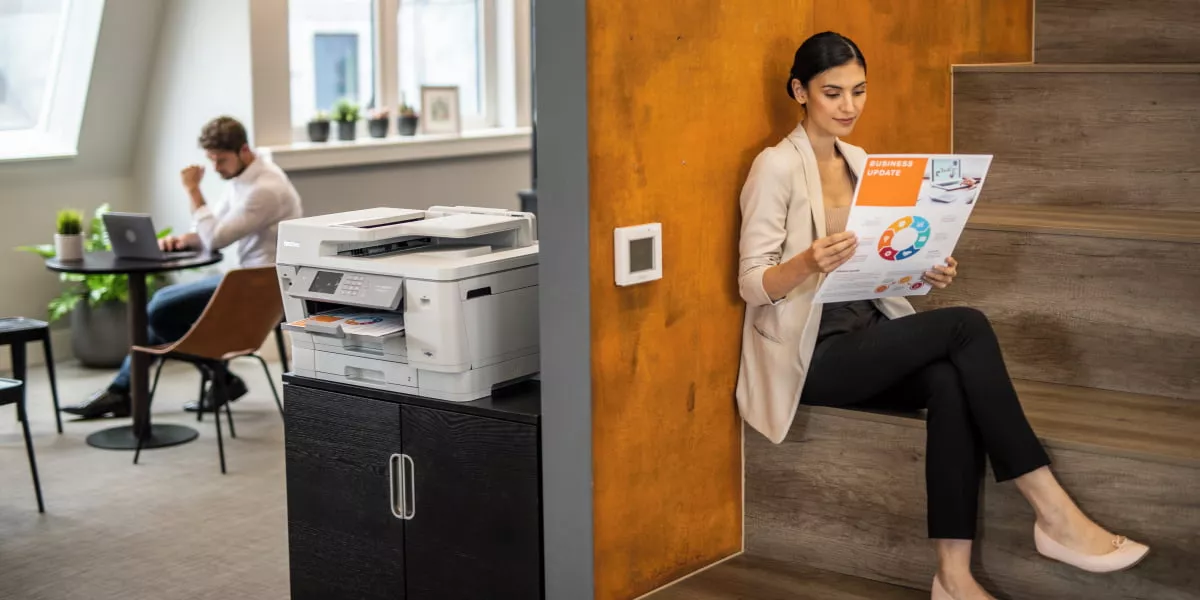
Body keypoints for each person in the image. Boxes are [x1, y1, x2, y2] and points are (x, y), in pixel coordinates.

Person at [735, 32, 1148, 600]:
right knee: (966, 324)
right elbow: (752, 283)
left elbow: (878, 261)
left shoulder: (861, 162)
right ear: (799, 91)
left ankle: (952, 578)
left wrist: (921, 268)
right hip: (812, 354)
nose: (849, 106)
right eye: (832, 93)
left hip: (868, 331)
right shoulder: (775, 167)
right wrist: (806, 262)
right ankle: (1052, 512)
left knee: (951, 381)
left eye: (858, 91)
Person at [64, 116, 303, 419]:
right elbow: (212, 230)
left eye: (221, 160)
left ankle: (135, 391)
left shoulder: (266, 189)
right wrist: (184, 240)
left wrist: (193, 190)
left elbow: (216, 238)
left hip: (259, 288)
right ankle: (131, 390)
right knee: (158, 313)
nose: (216, 168)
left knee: (159, 308)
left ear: (244, 150)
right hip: (246, 281)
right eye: (211, 160)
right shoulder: (242, 180)